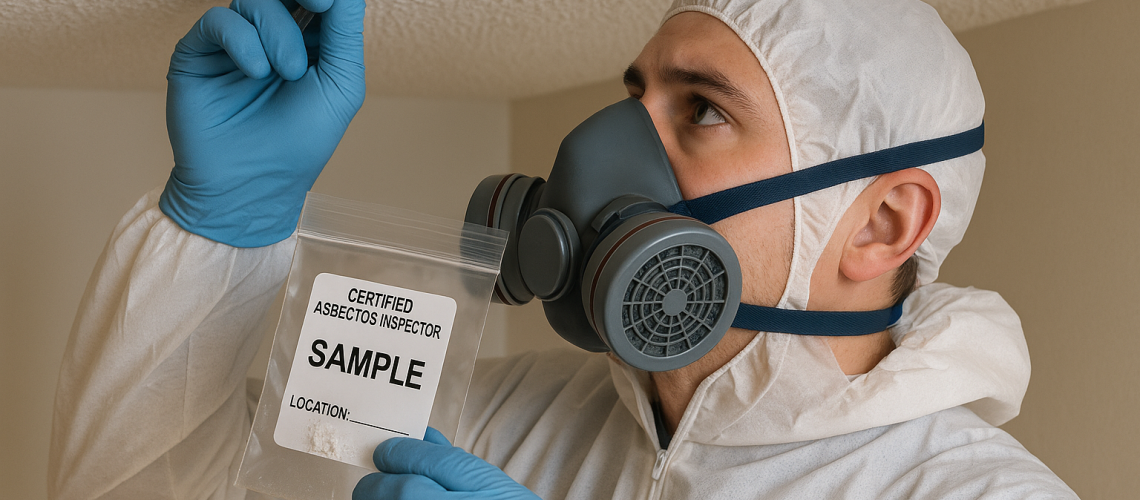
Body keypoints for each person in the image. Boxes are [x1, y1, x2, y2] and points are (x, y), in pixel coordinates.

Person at [48, 0, 1078, 498]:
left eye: (704, 111)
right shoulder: (492, 412)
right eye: (639, 95)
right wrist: (222, 231)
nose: (607, 151)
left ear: (883, 223)